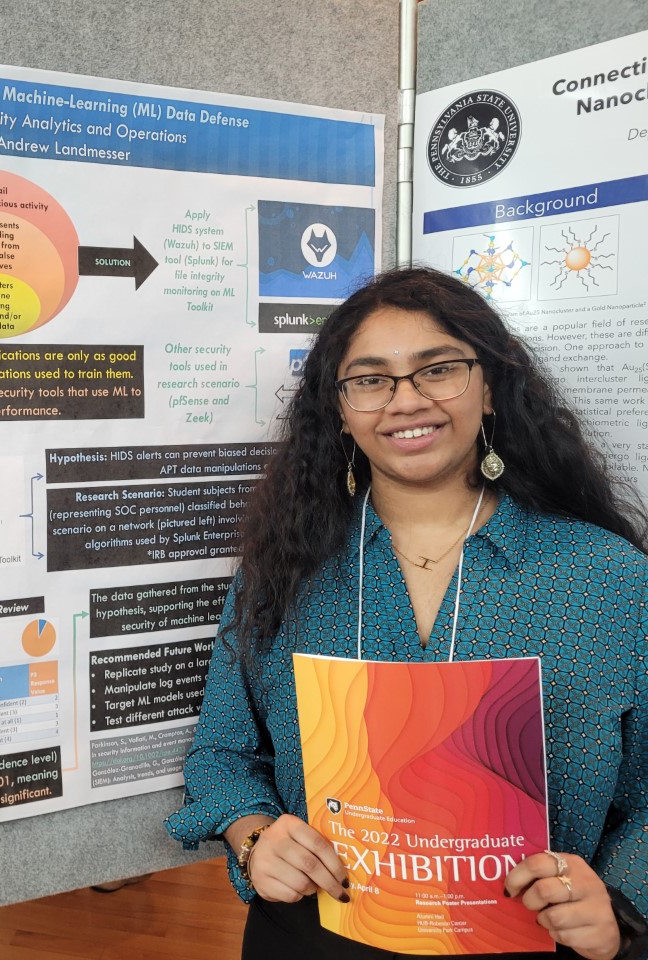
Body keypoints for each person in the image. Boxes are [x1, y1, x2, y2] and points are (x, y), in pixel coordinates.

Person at [165, 267, 648, 960]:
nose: (406, 400)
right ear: (339, 408)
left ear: (490, 387)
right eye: (371, 378)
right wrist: (252, 839)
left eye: (438, 369)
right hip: (317, 933)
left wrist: (620, 906)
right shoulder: (283, 570)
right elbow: (222, 754)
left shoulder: (609, 579)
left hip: (537, 943)